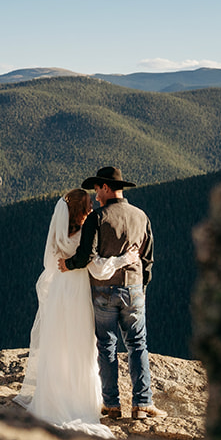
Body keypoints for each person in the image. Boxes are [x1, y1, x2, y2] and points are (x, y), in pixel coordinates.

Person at [14, 188, 132, 437]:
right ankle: (79, 400)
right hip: (78, 291)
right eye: (88, 203)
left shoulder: (60, 236)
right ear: (80, 209)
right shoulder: (85, 233)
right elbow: (97, 268)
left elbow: (51, 263)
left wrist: (66, 266)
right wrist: (124, 259)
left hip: (59, 289)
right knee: (80, 344)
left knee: (57, 342)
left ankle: (53, 397)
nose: (92, 206)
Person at [61, 166, 163, 420]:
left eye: (97, 189)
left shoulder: (97, 218)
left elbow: (84, 257)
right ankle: (142, 403)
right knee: (138, 344)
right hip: (134, 287)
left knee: (106, 345)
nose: (96, 195)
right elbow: (148, 259)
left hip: (103, 290)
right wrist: (142, 286)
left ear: (106, 187)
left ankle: (112, 404)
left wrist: (68, 265)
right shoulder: (142, 216)